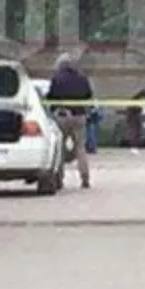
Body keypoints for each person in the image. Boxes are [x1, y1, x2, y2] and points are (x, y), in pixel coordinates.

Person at [47, 54, 93, 189]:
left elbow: (51, 96)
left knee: (60, 148)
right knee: (80, 148)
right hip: (79, 115)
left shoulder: (57, 78)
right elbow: (89, 95)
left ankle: (59, 178)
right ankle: (85, 178)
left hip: (62, 116)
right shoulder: (82, 77)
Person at [124, 89, 145, 154]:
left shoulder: (140, 101)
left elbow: (139, 110)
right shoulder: (134, 100)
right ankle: (133, 147)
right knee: (134, 132)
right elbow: (130, 109)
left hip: (137, 117)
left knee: (139, 132)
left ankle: (136, 147)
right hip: (133, 118)